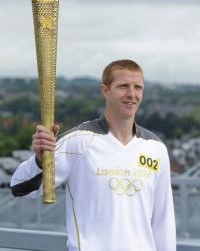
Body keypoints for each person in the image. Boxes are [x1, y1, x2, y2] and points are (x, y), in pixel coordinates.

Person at [10, 59, 176, 251]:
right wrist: (40, 161)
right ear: (105, 90)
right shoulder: (78, 141)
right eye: (123, 86)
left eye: (138, 87)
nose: (132, 94)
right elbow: (19, 187)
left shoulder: (156, 148)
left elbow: (163, 221)